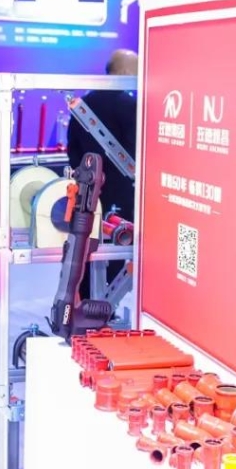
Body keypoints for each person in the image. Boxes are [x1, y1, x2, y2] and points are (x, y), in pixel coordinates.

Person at [67, 48, 138, 299]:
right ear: (125, 71)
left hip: (88, 193)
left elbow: (73, 150)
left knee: (87, 247)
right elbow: (138, 149)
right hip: (122, 194)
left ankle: (85, 303)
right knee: (118, 248)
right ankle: (105, 308)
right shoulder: (130, 105)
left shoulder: (83, 104)